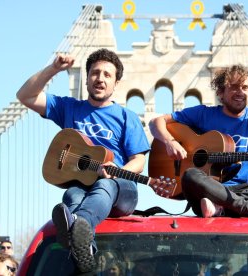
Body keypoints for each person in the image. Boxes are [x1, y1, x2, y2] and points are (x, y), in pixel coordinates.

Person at [16, 48, 150, 273]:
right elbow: (25, 96)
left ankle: (82, 225)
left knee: (104, 185)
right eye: (95, 73)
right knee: (71, 194)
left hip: (121, 190)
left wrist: (118, 170)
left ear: (116, 83)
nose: (100, 78)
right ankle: (85, 247)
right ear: (86, 79)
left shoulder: (127, 117)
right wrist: (54, 69)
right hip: (82, 186)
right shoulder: (69, 108)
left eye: (108, 75)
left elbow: (138, 160)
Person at [149, 49, 248, 220]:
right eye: (234, 87)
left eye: (245, 87)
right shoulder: (204, 114)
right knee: (191, 175)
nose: (240, 92)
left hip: (228, 195)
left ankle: (225, 206)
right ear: (220, 93)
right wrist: (170, 142)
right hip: (206, 191)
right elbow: (157, 122)